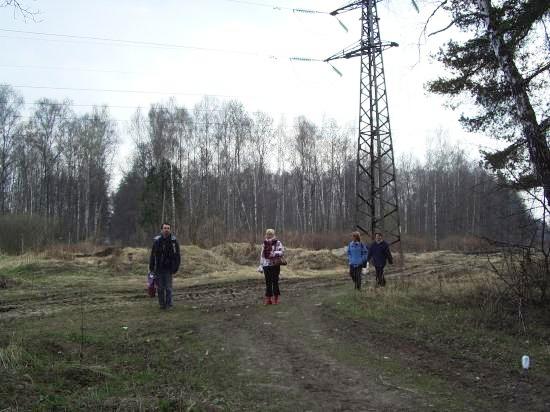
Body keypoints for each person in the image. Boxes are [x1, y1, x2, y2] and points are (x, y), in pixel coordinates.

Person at [149, 222, 181, 309]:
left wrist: (175, 267)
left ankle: (169, 304)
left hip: (168, 268)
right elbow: (152, 255)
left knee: (168, 288)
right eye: (165, 228)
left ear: (170, 230)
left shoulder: (173, 241)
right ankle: (162, 304)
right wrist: (151, 267)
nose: (166, 230)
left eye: (168, 228)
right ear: (161, 230)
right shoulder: (157, 241)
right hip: (158, 268)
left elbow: (177, 256)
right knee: (160, 288)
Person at [259, 228, 285, 305]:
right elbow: (262, 255)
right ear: (266, 235)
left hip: (275, 264)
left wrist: (273, 253)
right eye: (268, 234)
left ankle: (276, 299)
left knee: (275, 281)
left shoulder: (278, 242)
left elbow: (282, 252)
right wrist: (261, 265)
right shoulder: (264, 243)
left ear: (273, 235)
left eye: (270, 234)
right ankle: (268, 299)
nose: (269, 235)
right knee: (268, 282)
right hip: (266, 265)